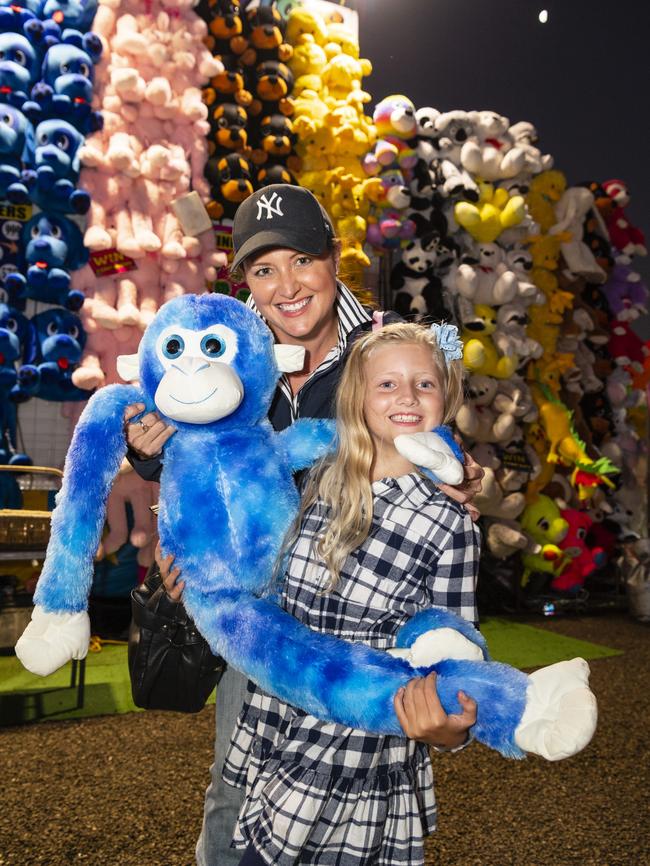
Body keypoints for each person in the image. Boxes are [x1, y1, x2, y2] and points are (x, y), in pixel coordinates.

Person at [123, 184, 484, 866]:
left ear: (333, 258)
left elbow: (437, 442)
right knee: (235, 787)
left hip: (355, 608)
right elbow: (202, 453)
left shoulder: (384, 349)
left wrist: (471, 480)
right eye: (263, 270)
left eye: (301, 261)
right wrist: (147, 451)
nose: (284, 287)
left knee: (355, 791)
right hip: (259, 610)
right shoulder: (225, 347)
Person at [224, 320, 479, 865]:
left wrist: (450, 729)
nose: (407, 396)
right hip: (278, 713)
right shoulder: (323, 480)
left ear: (446, 395)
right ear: (358, 399)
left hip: (352, 746)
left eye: (424, 384)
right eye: (386, 384)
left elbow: (457, 653)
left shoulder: (448, 522)